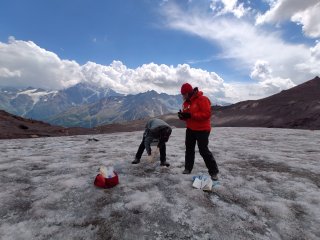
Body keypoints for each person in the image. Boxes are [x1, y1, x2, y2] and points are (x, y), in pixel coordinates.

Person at [178, 83, 219, 180]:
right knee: (189, 149)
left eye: (184, 94)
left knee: (203, 150)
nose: (183, 96)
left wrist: (191, 115)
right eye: (182, 94)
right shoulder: (186, 103)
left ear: (189, 92)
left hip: (202, 129)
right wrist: (182, 116)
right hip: (190, 129)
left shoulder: (202, 99)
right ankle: (188, 168)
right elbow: (188, 117)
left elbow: (206, 114)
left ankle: (213, 172)